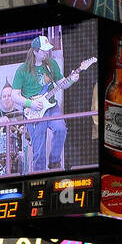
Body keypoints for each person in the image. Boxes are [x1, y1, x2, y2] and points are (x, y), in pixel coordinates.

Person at [12, 35, 77, 171]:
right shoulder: (22, 70)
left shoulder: (51, 64)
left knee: (60, 129)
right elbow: (14, 96)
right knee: (39, 147)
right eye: (43, 50)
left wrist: (72, 80)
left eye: (47, 50)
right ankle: (39, 174)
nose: (46, 53)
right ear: (35, 51)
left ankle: (54, 162)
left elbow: (62, 84)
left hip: (52, 106)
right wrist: (30, 103)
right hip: (34, 111)